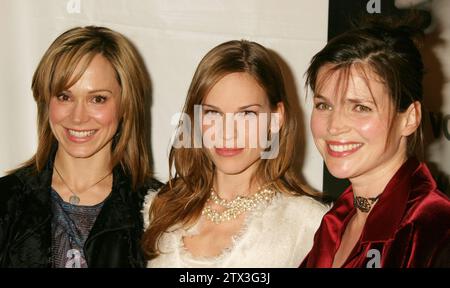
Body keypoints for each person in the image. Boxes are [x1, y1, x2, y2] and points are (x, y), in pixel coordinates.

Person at [141, 40, 328, 268]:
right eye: (213, 113)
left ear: (276, 118)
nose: (227, 133)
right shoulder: (160, 208)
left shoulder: (309, 224)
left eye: (247, 114)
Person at [0, 26, 161, 268]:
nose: (78, 117)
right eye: (65, 96)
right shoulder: (6, 201)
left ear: (126, 104)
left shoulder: (160, 212)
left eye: (98, 99)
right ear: (46, 101)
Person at [301, 17, 450, 268]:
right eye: (324, 105)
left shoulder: (436, 231)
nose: (334, 125)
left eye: (360, 107)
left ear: (410, 118)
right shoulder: (335, 222)